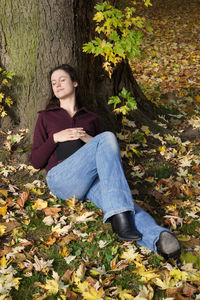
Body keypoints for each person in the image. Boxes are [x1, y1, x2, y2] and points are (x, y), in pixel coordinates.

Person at [30, 64, 181, 261]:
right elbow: (35, 162)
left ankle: (159, 239)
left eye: (62, 80)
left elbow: (106, 154)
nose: (57, 85)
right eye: (53, 82)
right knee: (108, 137)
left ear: (74, 83)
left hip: (91, 182)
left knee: (121, 202)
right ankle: (121, 220)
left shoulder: (91, 118)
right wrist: (55, 138)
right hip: (61, 179)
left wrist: (88, 139)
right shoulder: (46, 117)